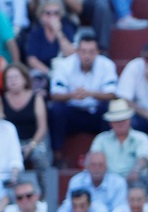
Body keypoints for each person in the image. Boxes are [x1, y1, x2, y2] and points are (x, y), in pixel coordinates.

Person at [47, 33, 118, 164]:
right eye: (83, 51)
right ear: (77, 51)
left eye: (91, 52)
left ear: (97, 52)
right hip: (72, 113)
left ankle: (106, 158)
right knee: (56, 110)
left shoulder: (107, 65)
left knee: (109, 109)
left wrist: (90, 93)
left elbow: (112, 94)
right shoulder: (65, 65)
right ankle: (57, 157)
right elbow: (55, 94)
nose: (87, 56)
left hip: (96, 113)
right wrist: (72, 95)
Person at [90, 99, 148, 183]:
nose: (120, 123)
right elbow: (94, 158)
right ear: (110, 122)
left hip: (134, 182)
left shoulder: (141, 138)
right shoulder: (101, 139)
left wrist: (136, 170)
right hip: (108, 182)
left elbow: (144, 158)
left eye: (123, 119)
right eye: (116, 120)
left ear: (129, 119)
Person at [64, 150, 128, 212]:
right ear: (87, 167)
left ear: (106, 167)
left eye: (100, 165)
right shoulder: (76, 181)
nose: (97, 168)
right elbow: (68, 209)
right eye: (93, 165)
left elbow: (120, 211)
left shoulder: (118, 183)